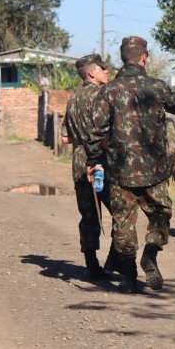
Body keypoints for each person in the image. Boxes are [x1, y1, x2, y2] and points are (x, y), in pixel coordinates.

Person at [85, 36, 175, 293]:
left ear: (121, 58)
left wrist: (94, 161)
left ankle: (128, 276)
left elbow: (96, 131)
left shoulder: (108, 90)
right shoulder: (157, 86)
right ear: (144, 57)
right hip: (154, 170)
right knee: (160, 214)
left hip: (120, 170)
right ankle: (150, 253)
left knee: (123, 222)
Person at [62, 53, 115, 281]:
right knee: (122, 213)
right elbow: (110, 131)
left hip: (80, 165)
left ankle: (92, 265)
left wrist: (83, 140)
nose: (106, 71)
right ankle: (116, 259)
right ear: (92, 72)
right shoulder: (104, 96)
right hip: (103, 163)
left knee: (89, 215)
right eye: (103, 67)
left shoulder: (72, 99)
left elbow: (64, 138)